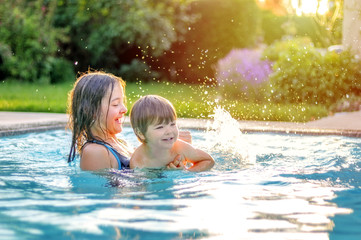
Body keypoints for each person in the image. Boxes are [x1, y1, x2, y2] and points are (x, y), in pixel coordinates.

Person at [67, 71, 190, 171]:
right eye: (115, 104)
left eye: (122, 102)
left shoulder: (120, 142)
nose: (124, 109)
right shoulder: (94, 152)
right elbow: (108, 195)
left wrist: (172, 150)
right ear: (91, 111)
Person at [129, 95, 215, 172]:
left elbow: (209, 161)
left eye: (172, 124)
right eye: (160, 127)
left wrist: (187, 172)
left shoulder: (179, 149)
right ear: (140, 133)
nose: (169, 131)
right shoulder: (138, 162)